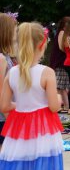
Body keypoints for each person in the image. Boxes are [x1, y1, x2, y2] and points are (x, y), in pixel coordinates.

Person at [0, 22, 63, 170]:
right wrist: (59, 99)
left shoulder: (12, 73)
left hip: (18, 130)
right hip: (44, 131)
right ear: (42, 45)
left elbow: (4, 106)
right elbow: (54, 107)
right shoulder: (47, 72)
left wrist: (22, 106)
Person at [0, 13, 18, 151]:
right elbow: (1, 93)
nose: (16, 35)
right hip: (3, 118)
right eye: (14, 31)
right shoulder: (1, 59)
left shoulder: (6, 57)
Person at [50, 16, 70, 113]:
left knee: (62, 86)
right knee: (60, 86)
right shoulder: (63, 33)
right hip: (61, 62)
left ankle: (66, 106)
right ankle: (65, 106)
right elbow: (61, 47)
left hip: (68, 62)